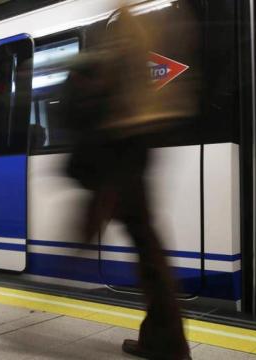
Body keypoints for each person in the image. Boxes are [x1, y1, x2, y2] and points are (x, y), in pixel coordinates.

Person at [64, 8, 192, 360]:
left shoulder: (125, 37)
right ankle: (163, 340)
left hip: (121, 148)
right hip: (136, 146)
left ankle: (168, 343)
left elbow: (98, 104)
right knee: (146, 243)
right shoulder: (146, 35)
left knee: (147, 249)